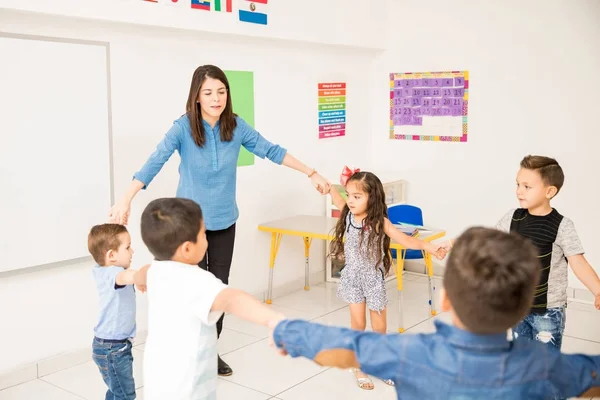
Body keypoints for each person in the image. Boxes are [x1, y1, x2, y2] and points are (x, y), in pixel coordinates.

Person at [108, 64, 328, 375]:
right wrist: (125, 198)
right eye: (208, 92)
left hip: (225, 221)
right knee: (192, 290)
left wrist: (311, 172)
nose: (216, 98)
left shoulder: (236, 126)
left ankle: (210, 350)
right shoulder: (182, 128)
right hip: (187, 227)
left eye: (221, 92)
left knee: (218, 288)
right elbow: (154, 162)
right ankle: (190, 351)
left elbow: (271, 151)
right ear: (197, 96)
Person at [269, 227, 600, 400]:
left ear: (444, 300)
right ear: (523, 308)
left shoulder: (409, 354)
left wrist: (285, 331)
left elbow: (344, 345)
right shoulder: (544, 364)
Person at [138, 197, 284, 400]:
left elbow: (140, 273)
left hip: (158, 382)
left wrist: (137, 278)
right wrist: (273, 319)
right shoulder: (196, 280)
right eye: (203, 234)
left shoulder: (155, 270)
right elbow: (232, 300)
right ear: (187, 249)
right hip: (189, 388)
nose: (207, 240)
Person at [322, 167, 446, 390]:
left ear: (373, 198)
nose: (350, 201)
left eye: (357, 196)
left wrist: (430, 247)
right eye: (349, 195)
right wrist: (328, 187)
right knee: (358, 325)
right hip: (353, 278)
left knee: (380, 328)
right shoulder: (348, 216)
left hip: (373, 279)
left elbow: (407, 241)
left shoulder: (380, 222)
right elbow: (336, 196)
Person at [496, 155, 600, 353]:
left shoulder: (562, 225)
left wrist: (597, 289)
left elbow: (578, 262)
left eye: (527, 186)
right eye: (518, 184)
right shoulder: (512, 217)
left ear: (550, 191)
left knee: (546, 361)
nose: (519, 191)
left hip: (548, 310)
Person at [87, 224, 149, 400]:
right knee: (125, 395)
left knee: (116, 391)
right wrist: (143, 274)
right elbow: (125, 277)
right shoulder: (112, 273)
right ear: (111, 255)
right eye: (128, 247)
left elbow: (126, 276)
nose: (132, 251)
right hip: (113, 349)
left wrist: (135, 279)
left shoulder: (105, 271)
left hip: (111, 346)